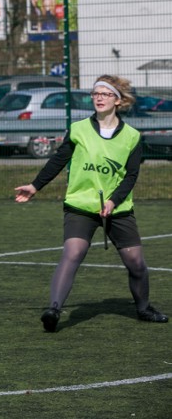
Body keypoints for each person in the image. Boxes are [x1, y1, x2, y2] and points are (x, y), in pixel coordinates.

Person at [15, 75, 168, 333]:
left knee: (136, 263)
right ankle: (53, 310)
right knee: (73, 252)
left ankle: (143, 308)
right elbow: (58, 160)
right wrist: (35, 186)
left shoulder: (131, 136)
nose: (98, 97)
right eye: (95, 93)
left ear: (118, 100)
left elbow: (131, 176)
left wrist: (112, 201)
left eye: (105, 94)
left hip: (117, 209)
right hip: (80, 205)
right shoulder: (78, 129)